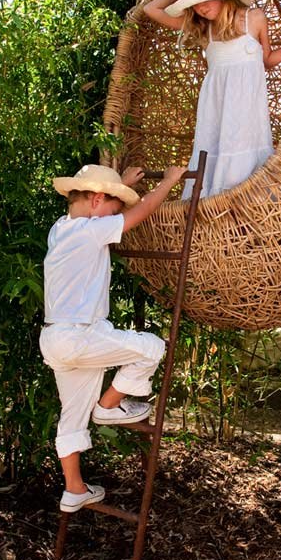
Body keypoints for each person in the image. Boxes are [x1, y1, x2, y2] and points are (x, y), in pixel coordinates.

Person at [40, 162, 186, 512]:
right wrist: (167, 182)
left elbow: (102, 206)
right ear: (96, 200)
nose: (113, 219)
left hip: (56, 339)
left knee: (72, 417)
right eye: (112, 209)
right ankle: (108, 406)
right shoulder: (91, 230)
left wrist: (119, 186)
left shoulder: (60, 228)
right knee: (151, 348)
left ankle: (74, 489)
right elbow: (146, 210)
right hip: (80, 335)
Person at [143, 0, 281, 198]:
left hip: (247, 109)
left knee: (245, 154)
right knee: (215, 149)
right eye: (194, 2)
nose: (201, 7)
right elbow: (150, 9)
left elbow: (267, 60)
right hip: (216, 107)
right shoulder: (204, 29)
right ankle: (215, 207)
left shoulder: (254, 18)